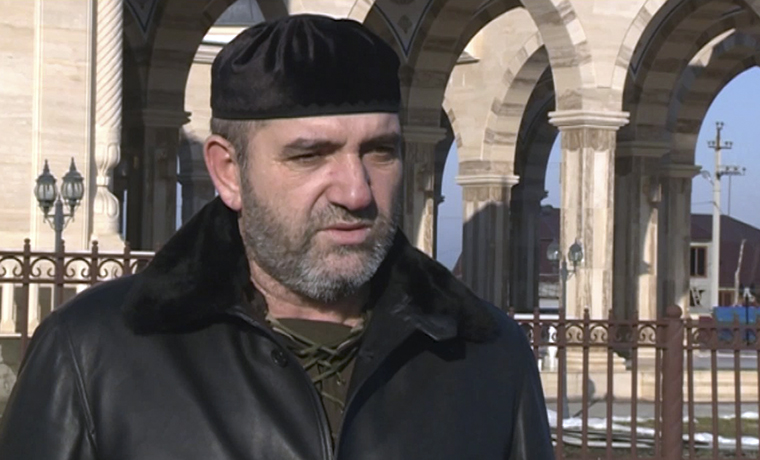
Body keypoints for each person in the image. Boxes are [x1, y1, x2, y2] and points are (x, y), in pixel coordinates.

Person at [0, 14, 554, 460]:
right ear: (228, 172)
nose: (356, 191)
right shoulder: (94, 355)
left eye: (379, 151)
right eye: (310, 155)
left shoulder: (488, 358)